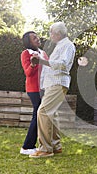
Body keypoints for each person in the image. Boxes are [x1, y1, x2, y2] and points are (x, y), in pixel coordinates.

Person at [29, 22, 76, 158]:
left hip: (58, 83)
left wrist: (41, 61)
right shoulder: (60, 46)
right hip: (53, 84)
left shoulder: (67, 45)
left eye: (51, 33)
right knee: (51, 114)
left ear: (57, 34)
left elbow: (62, 65)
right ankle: (55, 146)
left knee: (42, 112)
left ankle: (45, 149)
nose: (50, 36)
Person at [20, 31, 48, 155]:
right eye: (34, 38)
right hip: (34, 90)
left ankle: (40, 144)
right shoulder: (26, 53)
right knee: (37, 116)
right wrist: (33, 64)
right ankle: (26, 147)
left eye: (37, 36)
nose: (37, 39)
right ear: (29, 42)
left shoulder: (43, 53)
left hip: (45, 88)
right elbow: (28, 73)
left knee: (41, 116)